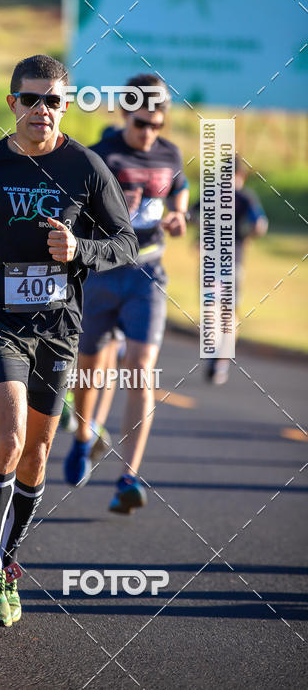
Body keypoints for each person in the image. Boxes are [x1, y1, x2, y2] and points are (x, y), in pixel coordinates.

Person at [0, 54, 137, 627]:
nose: (41, 110)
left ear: (65, 106)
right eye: (30, 99)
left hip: (57, 325)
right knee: (10, 437)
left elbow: (125, 241)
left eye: (52, 100)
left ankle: (9, 555)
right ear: (12, 104)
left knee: (39, 453)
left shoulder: (87, 168)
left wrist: (82, 250)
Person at [64, 74, 189, 515]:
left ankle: (128, 478)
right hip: (101, 272)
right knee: (91, 368)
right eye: (141, 123)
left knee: (140, 369)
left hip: (148, 274)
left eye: (156, 124)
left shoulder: (169, 154)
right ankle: (83, 436)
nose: (149, 132)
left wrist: (178, 214)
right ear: (124, 114)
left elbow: (180, 188)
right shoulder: (101, 155)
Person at [201, 155, 268, 385]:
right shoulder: (243, 196)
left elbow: (193, 214)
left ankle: (218, 355)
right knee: (225, 312)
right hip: (230, 261)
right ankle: (220, 358)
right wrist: (249, 236)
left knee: (215, 309)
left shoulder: (219, 194)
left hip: (219, 263)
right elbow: (260, 224)